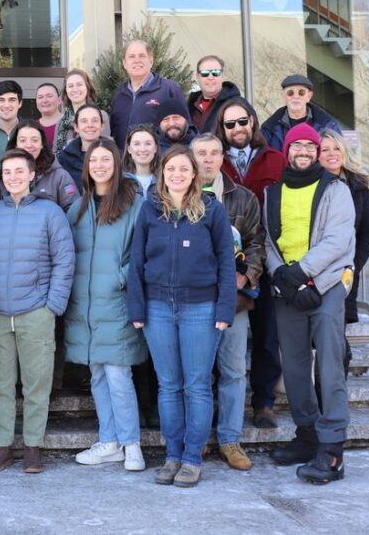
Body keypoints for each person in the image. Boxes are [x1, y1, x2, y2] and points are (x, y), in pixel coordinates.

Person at [127, 145, 235, 488]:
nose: (177, 175)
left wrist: (225, 308)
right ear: (162, 172)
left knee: (198, 386)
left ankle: (192, 458)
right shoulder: (149, 210)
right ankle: (172, 455)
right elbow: (137, 261)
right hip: (157, 307)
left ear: (194, 175)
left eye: (183, 170)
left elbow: (226, 261)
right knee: (169, 385)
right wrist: (137, 307)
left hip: (201, 308)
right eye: (171, 169)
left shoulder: (211, 210)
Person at [264, 125, 356, 484]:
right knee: (296, 368)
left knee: (330, 366)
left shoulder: (336, 190)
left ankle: (332, 449)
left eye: (309, 146)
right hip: (288, 291)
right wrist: (284, 279)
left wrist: (305, 275)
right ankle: (307, 435)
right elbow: (269, 242)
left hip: (326, 287)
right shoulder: (273, 192)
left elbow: (338, 240)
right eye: (296, 145)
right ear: (286, 151)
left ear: (317, 152)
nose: (302, 150)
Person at [0, 149, 75, 475]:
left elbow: (64, 261)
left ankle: (33, 446)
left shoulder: (50, 212)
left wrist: (52, 307)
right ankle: (3, 446)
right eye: (7, 172)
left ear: (32, 175)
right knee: (0, 384)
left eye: (19, 171)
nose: (13, 177)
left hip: (36, 310)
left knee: (37, 384)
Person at [65, 139, 146, 472]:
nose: (99, 166)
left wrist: (120, 277)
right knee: (97, 372)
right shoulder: (79, 207)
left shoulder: (133, 203)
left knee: (117, 373)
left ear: (116, 163)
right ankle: (109, 441)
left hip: (116, 302)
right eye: (93, 160)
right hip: (85, 307)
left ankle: (132, 444)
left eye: (105, 160)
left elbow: (145, 249)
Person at [191, 133, 265, 471]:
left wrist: (245, 275)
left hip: (232, 300)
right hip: (193, 301)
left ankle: (230, 440)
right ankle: (199, 437)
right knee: (198, 373)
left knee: (234, 370)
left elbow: (256, 243)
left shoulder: (243, 198)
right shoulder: (179, 196)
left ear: (224, 157)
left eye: (213, 153)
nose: (207, 159)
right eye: (201, 153)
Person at [213, 96, 286, 428]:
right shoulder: (215, 160)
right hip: (224, 265)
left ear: (253, 122)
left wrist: (253, 272)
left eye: (242, 121)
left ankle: (264, 400)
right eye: (230, 124)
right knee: (226, 335)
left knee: (266, 333)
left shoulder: (274, 160)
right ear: (222, 129)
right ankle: (223, 404)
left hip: (266, 257)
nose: (237, 128)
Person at [318, 129, 369, 335]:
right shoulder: (310, 185)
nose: (331, 153)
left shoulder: (358, 185)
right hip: (315, 272)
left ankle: (336, 369)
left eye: (336, 148)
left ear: (344, 151)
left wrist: (353, 266)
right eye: (325, 149)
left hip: (346, 274)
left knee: (338, 336)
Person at [109, 39, 187, 149]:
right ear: (124, 63)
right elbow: (115, 132)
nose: (137, 60)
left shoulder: (169, 89)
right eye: (131, 56)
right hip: (125, 164)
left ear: (151, 61)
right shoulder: (119, 96)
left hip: (159, 162)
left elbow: (186, 130)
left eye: (142, 56)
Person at [7, 119, 78, 210]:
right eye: (23, 140)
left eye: (35, 140)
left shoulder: (60, 176)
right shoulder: (6, 177)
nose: (29, 145)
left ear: (42, 144)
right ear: (15, 144)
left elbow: (74, 210)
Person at [261, 75, 342, 152]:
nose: (296, 97)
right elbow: (261, 158)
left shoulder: (328, 125)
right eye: (290, 93)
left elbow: (339, 154)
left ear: (309, 96)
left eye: (301, 92)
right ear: (283, 96)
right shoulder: (269, 128)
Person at [55, 69, 109, 153]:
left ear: (87, 87)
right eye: (70, 86)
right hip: (65, 165)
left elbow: (105, 149)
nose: (75, 89)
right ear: (66, 90)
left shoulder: (101, 116)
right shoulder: (61, 122)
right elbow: (56, 153)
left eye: (79, 84)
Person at [186, 56, 241, 133]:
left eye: (216, 73)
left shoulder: (237, 104)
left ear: (222, 75)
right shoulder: (190, 106)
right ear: (198, 76)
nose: (210, 77)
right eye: (205, 73)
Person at [58, 104, 106, 192]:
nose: (90, 125)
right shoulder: (64, 158)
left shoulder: (115, 155)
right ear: (76, 127)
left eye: (95, 120)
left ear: (102, 125)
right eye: (84, 121)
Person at [0, 80, 24, 170]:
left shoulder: (31, 131)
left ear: (20, 103)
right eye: (1, 100)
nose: (6, 105)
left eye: (12, 100)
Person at [122, 124, 160, 196]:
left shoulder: (165, 179)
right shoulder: (119, 181)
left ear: (155, 148)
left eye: (148, 144)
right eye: (137, 144)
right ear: (129, 149)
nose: (142, 149)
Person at [35, 83, 62, 148]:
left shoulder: (71, 124)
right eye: (40, 97)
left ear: (59, 100)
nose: (44, 100)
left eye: (49, 96)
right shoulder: (32, 127)